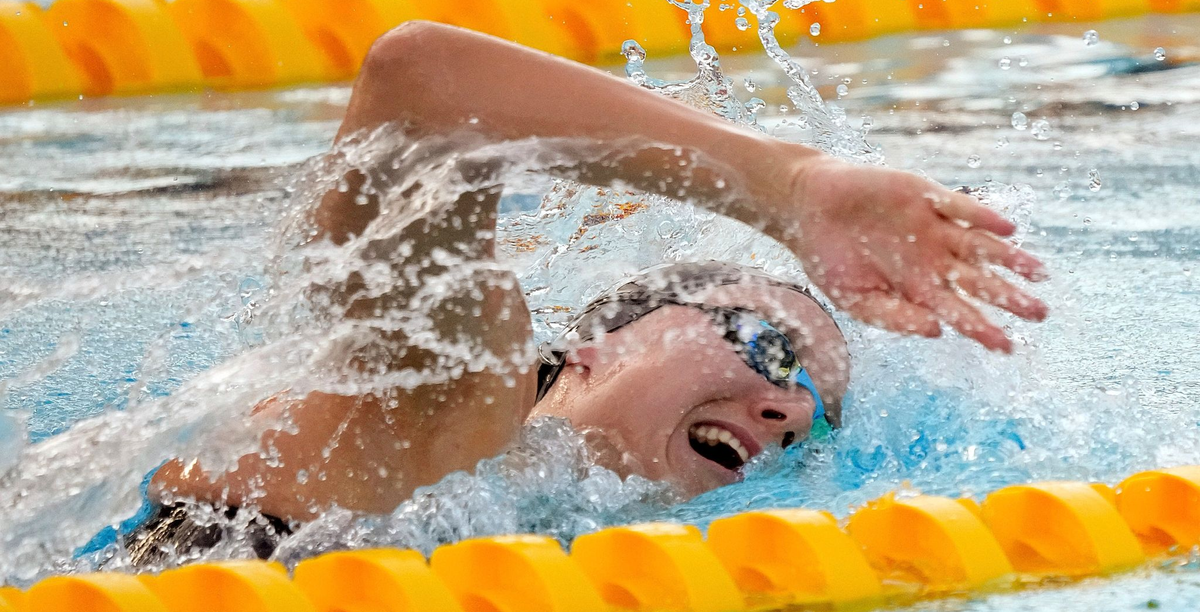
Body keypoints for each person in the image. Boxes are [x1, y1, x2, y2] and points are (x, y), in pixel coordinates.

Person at [116, 21, 1047, 565]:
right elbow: (422, 81)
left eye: (818, 407)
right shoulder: (461, 394)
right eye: (767, 344)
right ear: (595, 348)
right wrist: (788, 188)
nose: (792, 406)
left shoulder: (534, 513)